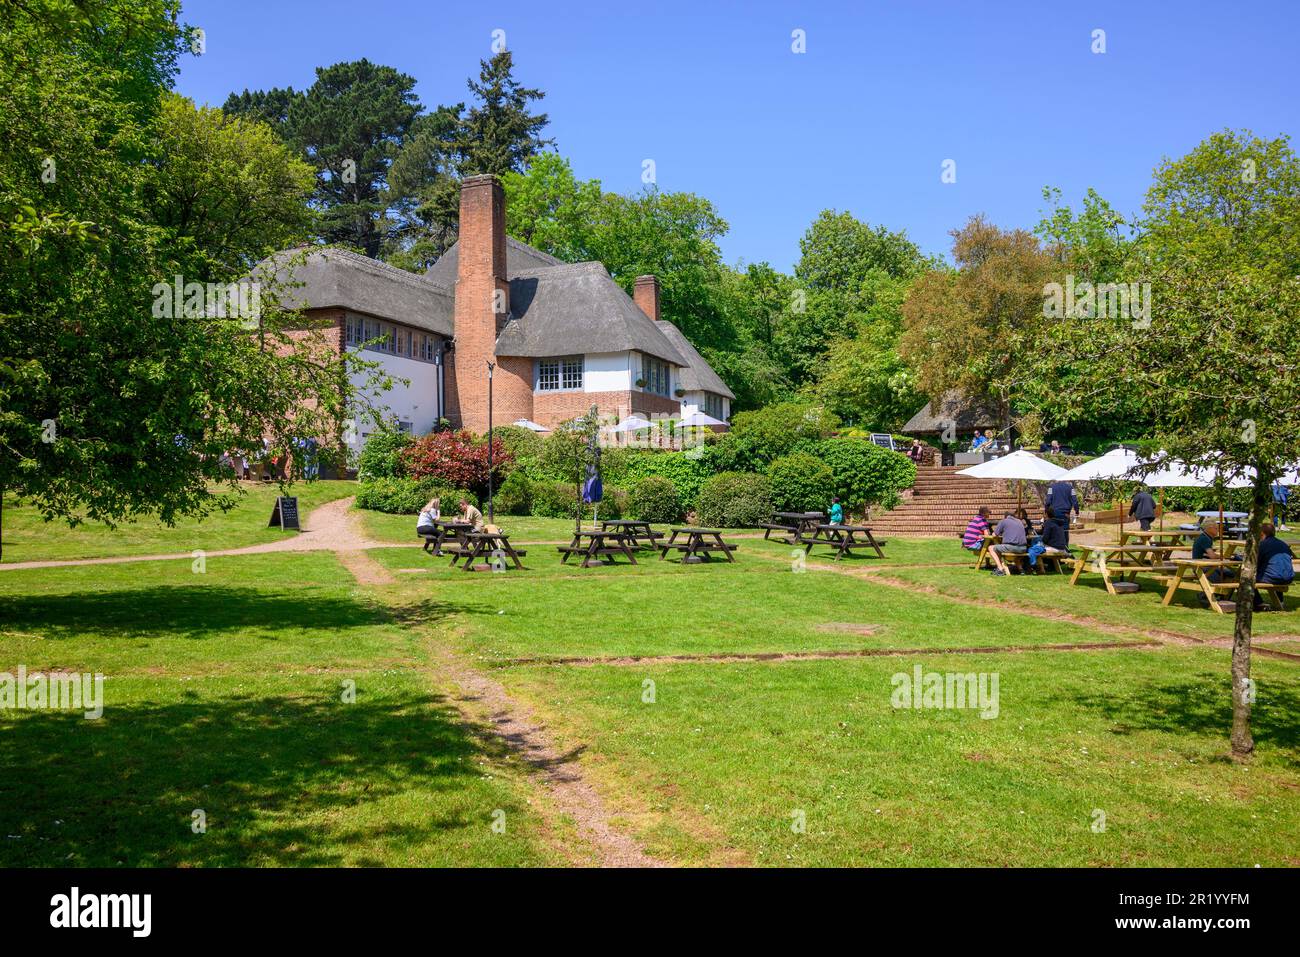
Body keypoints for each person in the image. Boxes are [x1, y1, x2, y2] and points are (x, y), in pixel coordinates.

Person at [989, 510, 1028, 576]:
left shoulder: (1004, 521)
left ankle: (1000, 569)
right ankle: (1021, 570)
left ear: (1005, 516)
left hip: (1012, 547)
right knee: (1003, 549)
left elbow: (994, 535)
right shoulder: (1019, 521)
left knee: (991, 548)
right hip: (1023, 548)